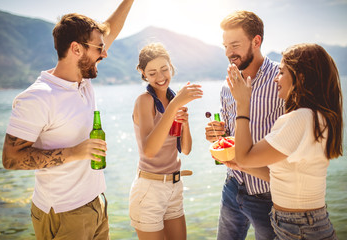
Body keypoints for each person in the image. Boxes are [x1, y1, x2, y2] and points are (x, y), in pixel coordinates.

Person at [1, 1, 134, 239]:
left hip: (96, 204)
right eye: (99, 49)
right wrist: (74, 153)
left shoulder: (83, 78)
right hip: (63, 213)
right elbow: (11, 159)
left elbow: (110, 29)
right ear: (76, 49)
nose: (105, 53)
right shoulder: (38, 97)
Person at [226, 43, 341, 240]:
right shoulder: (318, 117)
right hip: (304, 224)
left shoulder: (299, 119)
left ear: (301, 77)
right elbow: (280, 175)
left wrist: (243, 103)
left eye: (281, 72)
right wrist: (242, 166)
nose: (275, 79)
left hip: (298, 228)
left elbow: (245, 157)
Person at [205, 11, 285, 239]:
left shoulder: (282, 78)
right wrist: (216, 135)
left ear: (256, 41)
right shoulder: (226, 85)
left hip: (268, 194)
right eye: (225, 46)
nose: (229, 53)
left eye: (235, 45)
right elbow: (230, 135)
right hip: (232, 186)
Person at [129, 42, 203, 240]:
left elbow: (185, 149)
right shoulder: (144, 101)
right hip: (149, 189)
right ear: (144, 74)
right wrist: (176, 104)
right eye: (152, 73)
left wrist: (185, 123)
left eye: (164, 69)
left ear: (171, 67)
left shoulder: (173, 100)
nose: (160, 77)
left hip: (174, 187)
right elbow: (149, 151)